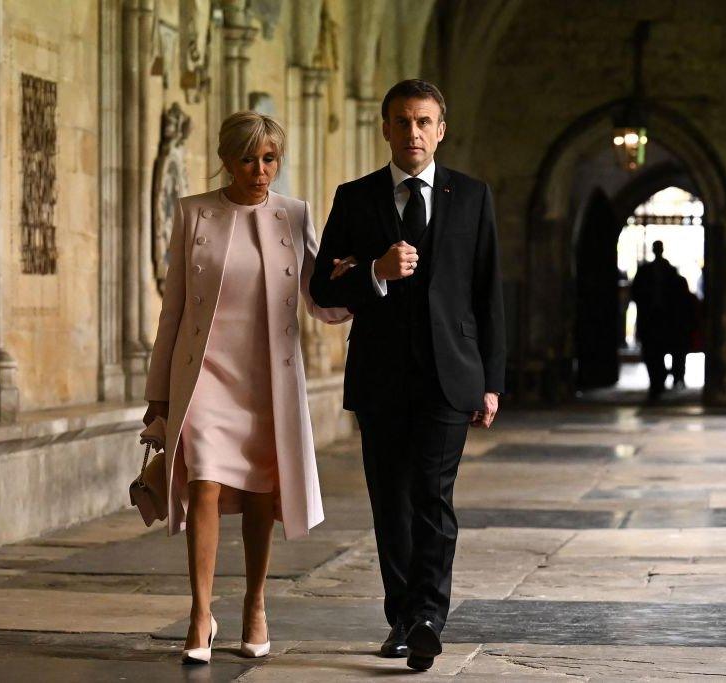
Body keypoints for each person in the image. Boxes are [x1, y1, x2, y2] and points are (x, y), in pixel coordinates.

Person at [309, 79, 506, 672]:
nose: (413, 132)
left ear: (440, 130)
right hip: (380, 376)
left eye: (424, 121)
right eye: (402, 121)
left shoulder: (471, 196)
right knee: (389, 499)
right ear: (386, 128)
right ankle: (401, 618)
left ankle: (427, 615)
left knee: (432, 494)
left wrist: (491, 381)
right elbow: (322, 285)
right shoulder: (355, 197)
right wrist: (374, 269)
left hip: (451, 376)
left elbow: (487, 292)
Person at [142, 111, 351, 665]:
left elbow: (321, 300)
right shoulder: (193, 214)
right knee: (204, 483)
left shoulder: (293, 214)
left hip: (267, 377)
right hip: (204, 373)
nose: (260, 171)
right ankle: (199, 612)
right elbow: (174, 310)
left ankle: (255, 605)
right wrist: (158, 393)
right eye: (248, 159)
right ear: (227, 159)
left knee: (262, 492)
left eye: (269, 159)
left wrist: (366, 278)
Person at [630, 240, 684, 400]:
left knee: (660, 350)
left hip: (665, 319)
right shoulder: (645, 271)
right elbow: (636, 293)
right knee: (651, 352)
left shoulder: (670, 272)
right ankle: (656, 380)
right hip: (650, 318)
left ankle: (662, 378)